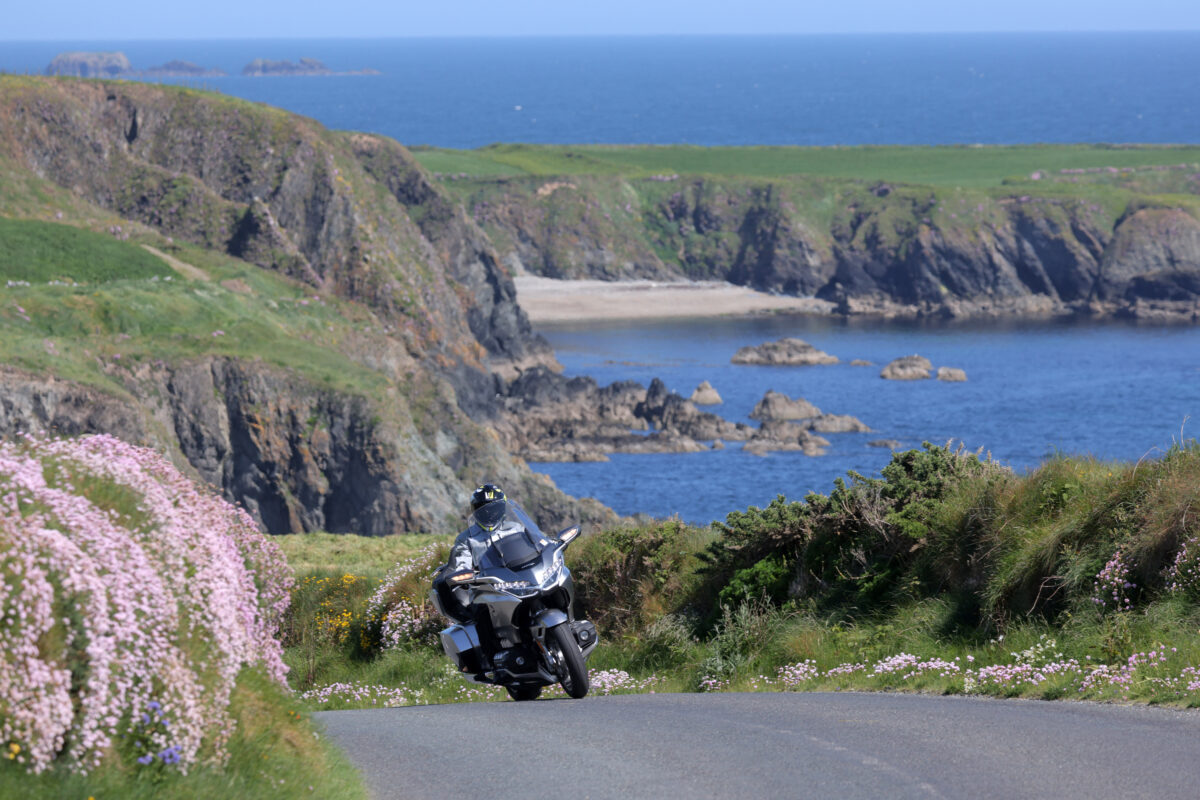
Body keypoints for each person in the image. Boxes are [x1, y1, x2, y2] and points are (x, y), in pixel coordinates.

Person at [436, 483, 523, 623]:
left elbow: (536, 545)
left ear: (502, 508)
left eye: (494, 509)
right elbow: (461, 563)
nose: (489, 513)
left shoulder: (516, 528)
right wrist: (464, 574)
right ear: (475, 511)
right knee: (483, 616)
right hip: (487, 588)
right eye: (484, 510)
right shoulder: (466, 539)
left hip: (521, 580)